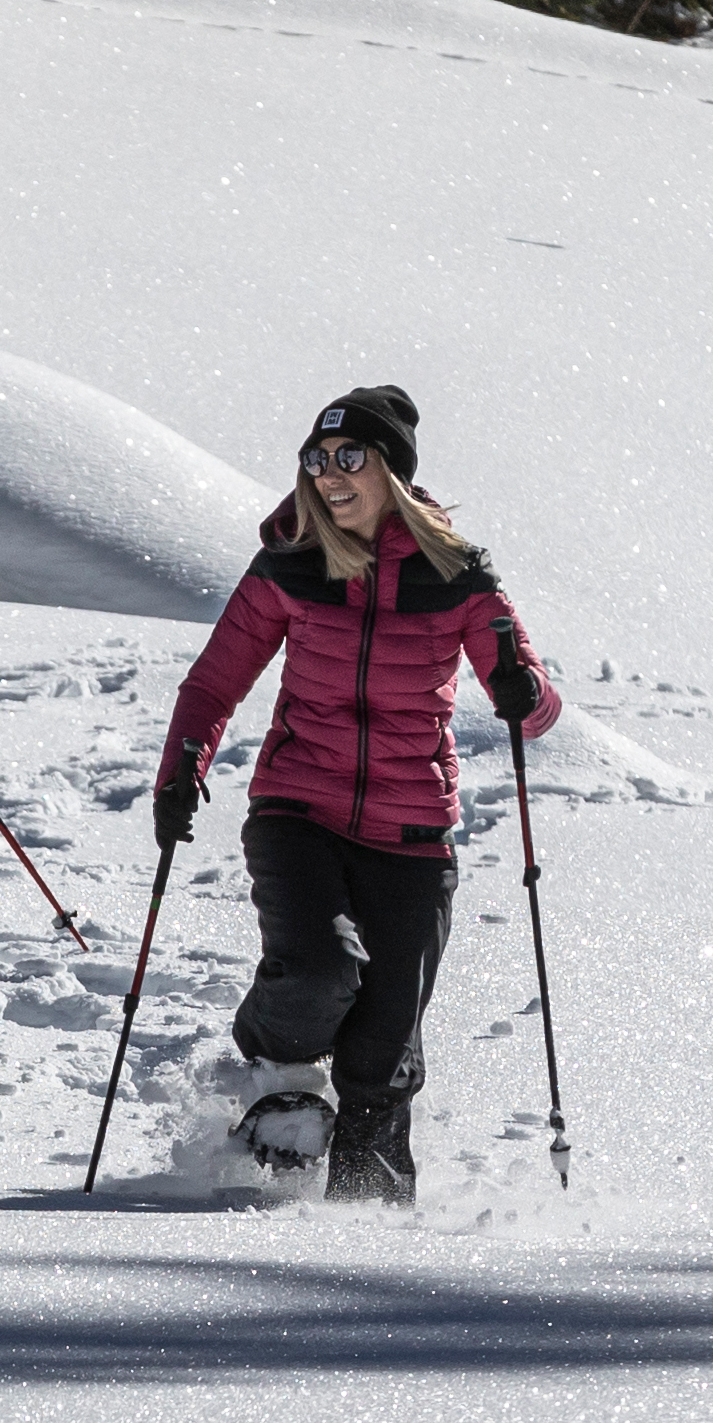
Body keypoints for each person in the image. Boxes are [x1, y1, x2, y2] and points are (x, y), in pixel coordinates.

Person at [149, 384, 557, 1205]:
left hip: (412, 838)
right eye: (316, 459)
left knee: (383, 1055)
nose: (328, 475)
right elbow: (213, 685)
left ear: (393, 471)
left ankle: (371, 1238)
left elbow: (536, 710)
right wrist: (181, 773)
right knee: (319, 971)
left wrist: (522, 691)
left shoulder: (460, 578)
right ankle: (276, 1070)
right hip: (298, 812)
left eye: (349, 458)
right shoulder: (291, 564)